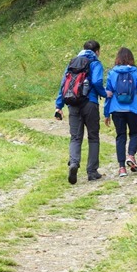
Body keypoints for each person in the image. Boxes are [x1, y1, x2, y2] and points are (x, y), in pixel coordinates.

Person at [55, 40, 107, 184]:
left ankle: (73, 163)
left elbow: (63, 85)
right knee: (93, 136)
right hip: (90, 103)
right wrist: (103, 93)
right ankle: (92, 171)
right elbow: (96, 81)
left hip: (73, 103)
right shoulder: (95, 63)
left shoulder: (72, 63)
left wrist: (59, 105)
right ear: (97, 51)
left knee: (75, 137)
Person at [104, 47, 137, 177]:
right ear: (131, 58)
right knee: (134, 133)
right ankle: (131, 155)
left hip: (116, 109)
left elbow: (108, 93)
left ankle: (122, 168)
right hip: (132, 109)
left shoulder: (112, 73)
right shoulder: (135, 71)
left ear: (117, 58)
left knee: (120, 136)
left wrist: (106, 113)